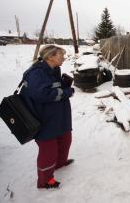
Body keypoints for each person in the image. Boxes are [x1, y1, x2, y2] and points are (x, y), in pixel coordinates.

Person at [20, 45, 75, 189]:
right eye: (60, 55)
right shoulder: (36, 73)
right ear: (50, 57)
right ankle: (45, 181)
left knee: (65, 140)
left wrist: (65, 85)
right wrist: (66, 93)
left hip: (58, 116)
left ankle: (59, 163)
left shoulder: (53, 69)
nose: (63, 57)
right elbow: (42, 94)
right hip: (44, 119)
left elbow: (54, 87)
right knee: (48, 150)